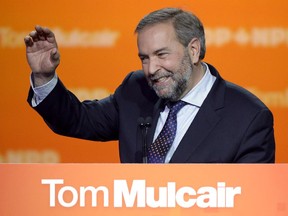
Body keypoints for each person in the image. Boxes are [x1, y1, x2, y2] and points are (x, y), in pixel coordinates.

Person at [25, 8, 275, 163]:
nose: (151, 69)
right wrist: (44, 77)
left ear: (194, 50)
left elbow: (250, 204)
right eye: (144, 58)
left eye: (161, 54)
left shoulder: (248, 117)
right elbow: (78, 120)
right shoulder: (137, 89)